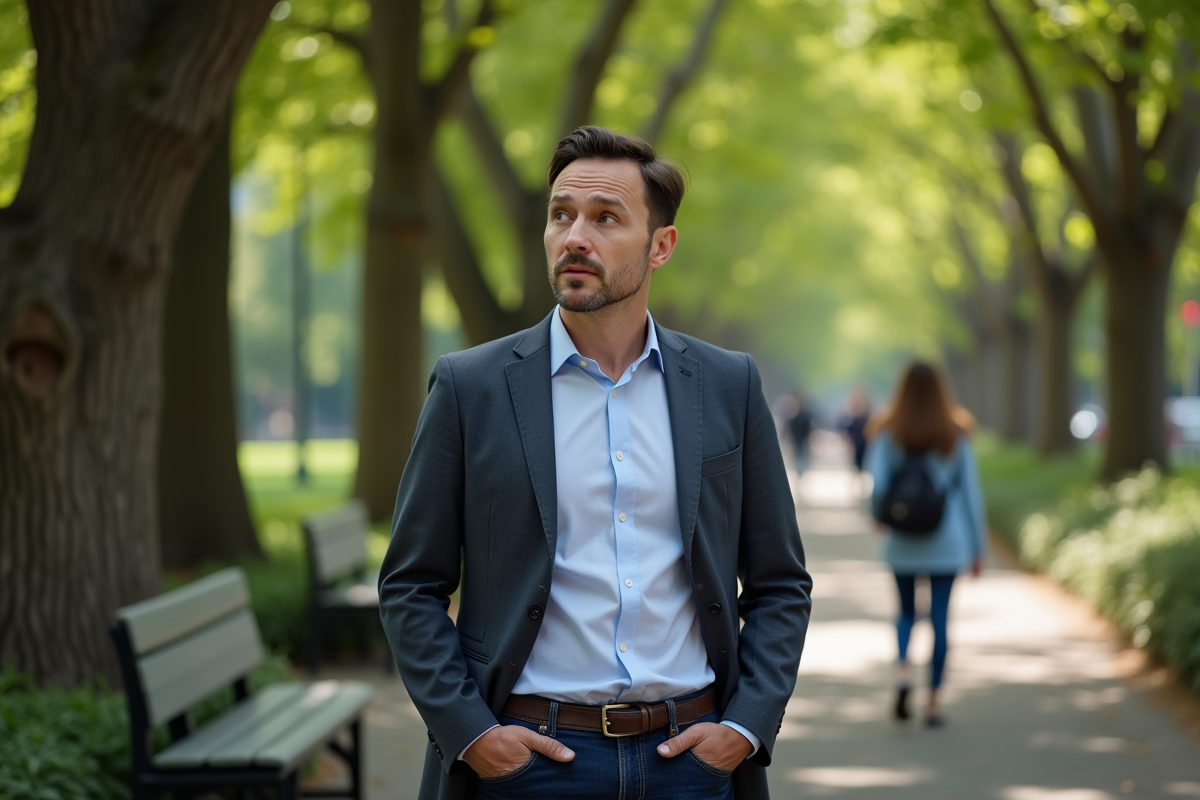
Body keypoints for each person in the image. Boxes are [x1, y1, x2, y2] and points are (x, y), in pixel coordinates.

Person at [379, 126, 812, 800]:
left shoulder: (728, 384)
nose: (575, 235)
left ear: (659, 246)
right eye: (561, 215)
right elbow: (411, 585)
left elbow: (780, 581)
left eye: (606, 218)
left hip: (692, 764)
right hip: (531, 766)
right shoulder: (472, 387)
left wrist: (746, 726)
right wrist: (472, 733)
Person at [864, 361, 986, 728]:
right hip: (947, 539)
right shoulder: (956, 431)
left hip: (903, 538)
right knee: (940, 621)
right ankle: (932, 704)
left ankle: (903, 673)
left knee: (904, 613)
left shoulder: (889, 430)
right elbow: (970, 495)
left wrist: (880, 517)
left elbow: (878, 486)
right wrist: (977, 548)